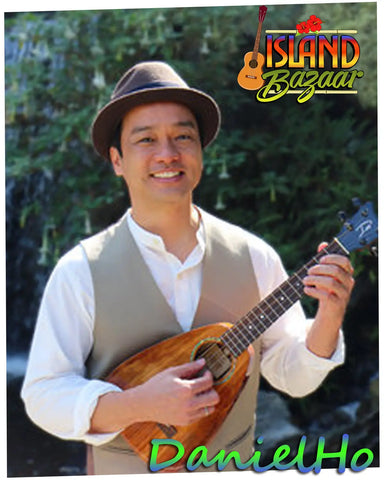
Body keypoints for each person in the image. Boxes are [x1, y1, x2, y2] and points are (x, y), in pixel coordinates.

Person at [21, 61, 355, 475]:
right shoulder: (80, 271)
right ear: (117, 160)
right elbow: (43, 394)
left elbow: (294, 377)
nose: (168, 154)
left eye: (183, 136)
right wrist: (136, 404)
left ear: (199, 151)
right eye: (146, 140)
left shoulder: (254, 256)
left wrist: (330, 314)